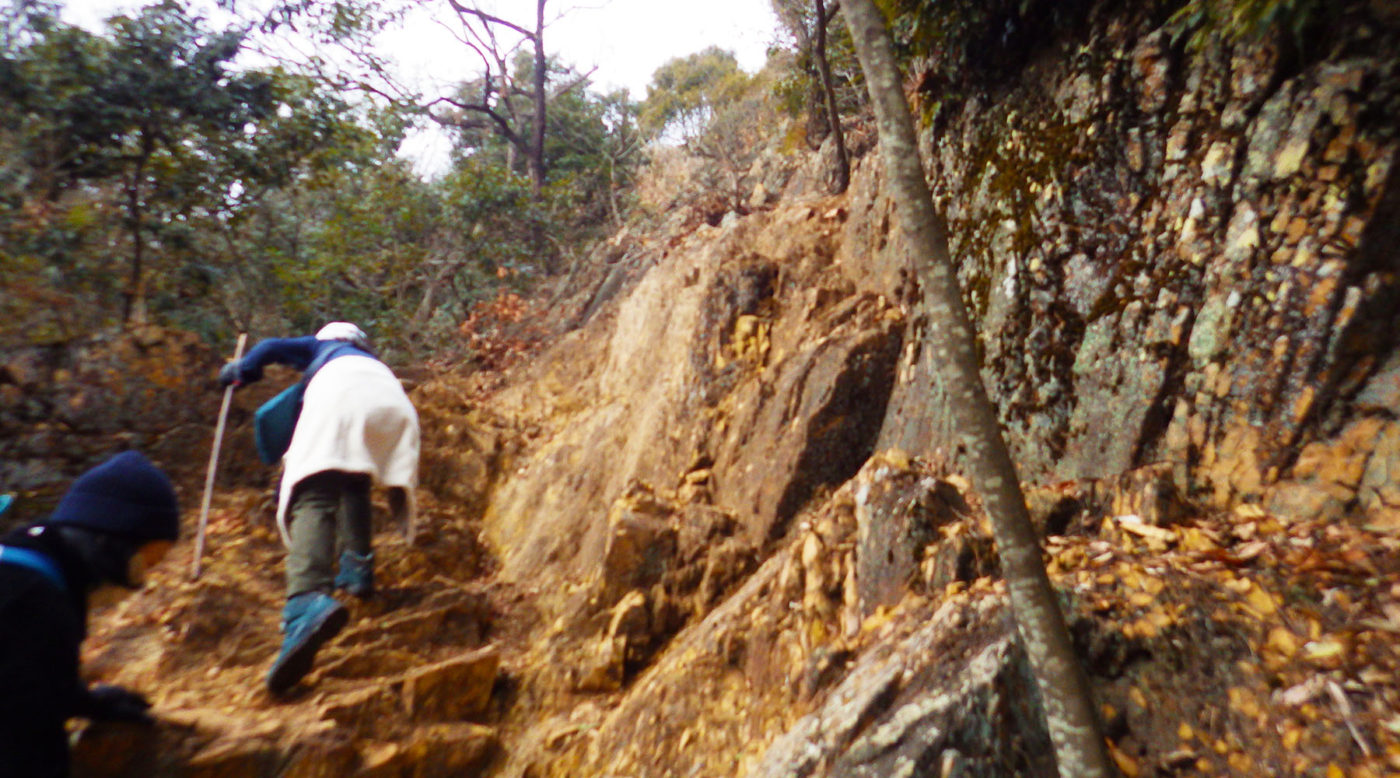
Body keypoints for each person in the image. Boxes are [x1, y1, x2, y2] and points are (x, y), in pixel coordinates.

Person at [218, 321, 419, 695]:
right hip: (395, 405)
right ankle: (358, 570)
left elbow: (273, 344)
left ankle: (306, 600)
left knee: (313, 492)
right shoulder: (371, 361)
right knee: (353, 479)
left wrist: (242, 370)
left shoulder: (321, 348)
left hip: (340, 396)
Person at [0, 450, 180, 777]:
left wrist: (84, 701)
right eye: (146, 563)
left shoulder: (22, 569)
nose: (140, 583)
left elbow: (26, 679)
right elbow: (26, 742)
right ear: (114, 543)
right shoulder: (34, 604)